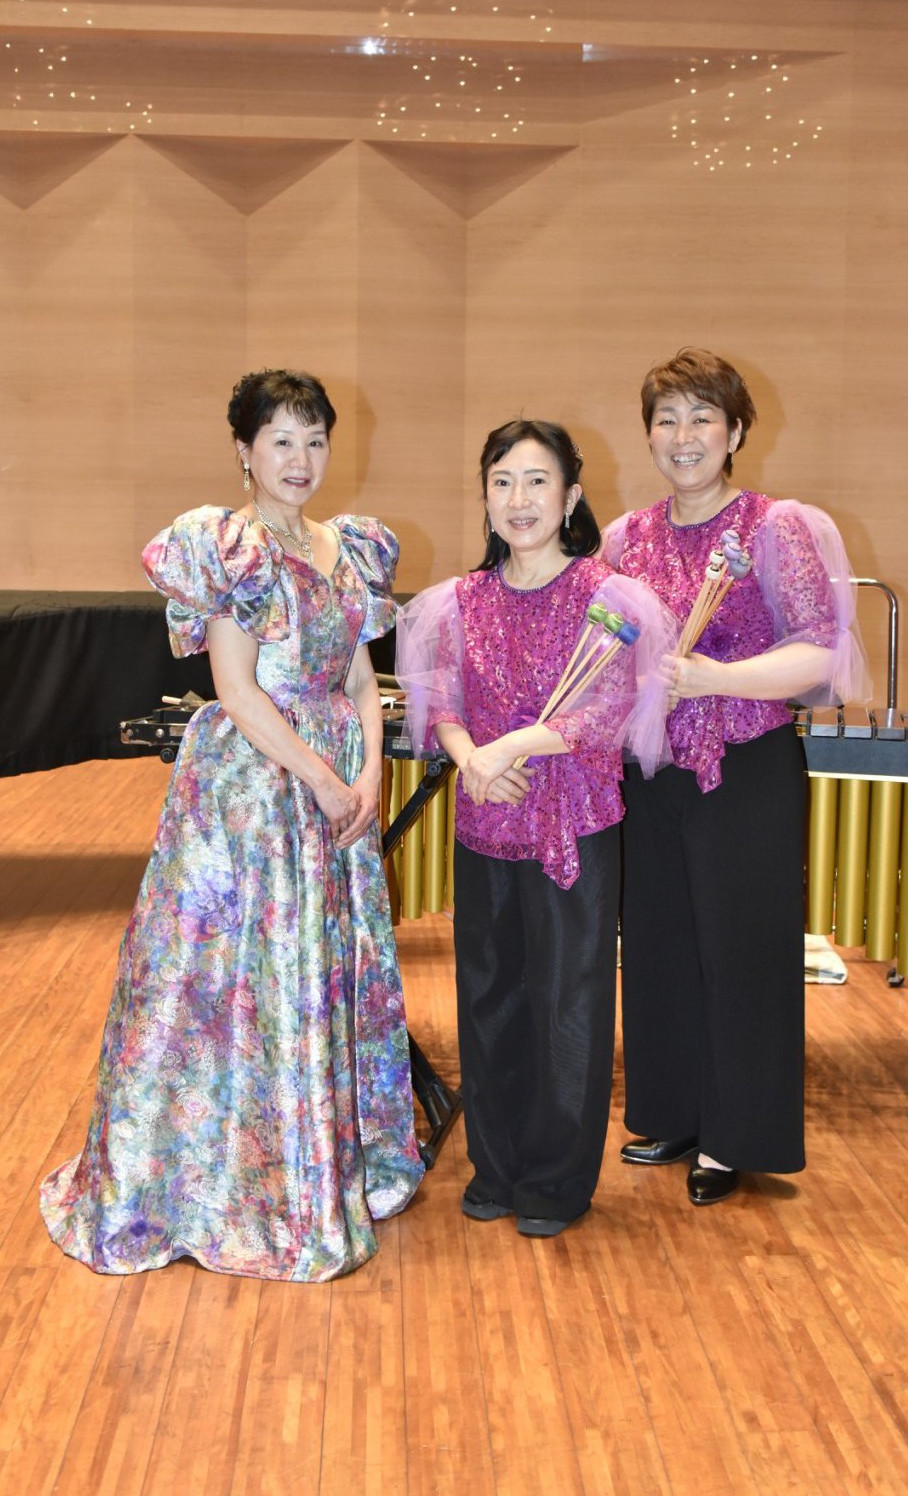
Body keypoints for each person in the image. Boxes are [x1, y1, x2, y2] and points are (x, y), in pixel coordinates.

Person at [41, 369, 424, 1281]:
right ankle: (218, 1186)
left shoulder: (349, 546)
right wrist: (323, 778)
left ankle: (314, 1166)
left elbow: (360, 677)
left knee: (314, 968)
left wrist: (369, 769)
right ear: (244, 451)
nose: (300, 459)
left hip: (334, 778)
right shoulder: (232, 548)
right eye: (281, 440)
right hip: (254, 788)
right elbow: (237, 690)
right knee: (230, 979)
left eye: (314, 440)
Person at [604, 347, 870, 1205]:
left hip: (747, 763)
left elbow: (817, 649)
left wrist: (717, 677)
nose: (683, 437)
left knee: (743, 952)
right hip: (652, 770)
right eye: (667, 420)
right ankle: (674, 1112)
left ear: (735, 433)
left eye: (702, 419)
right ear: (648, 434)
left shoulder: (771, 527)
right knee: (659, 947)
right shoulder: (625, 538)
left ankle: (734, 1137)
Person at [397, 420, 672, 1237]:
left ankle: (555, 1179)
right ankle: (495, 1165)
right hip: (485, 813)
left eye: (537, 481)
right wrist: (471, 758)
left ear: (571, 496)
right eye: (502, 482)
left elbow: (607, 707)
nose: (519, 499)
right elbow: (440, 703)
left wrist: (510, 746)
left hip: (571, 820)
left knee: (568, 1003)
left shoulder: (609, 599)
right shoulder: (456, 602)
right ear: (485, 497)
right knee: (487, 995)